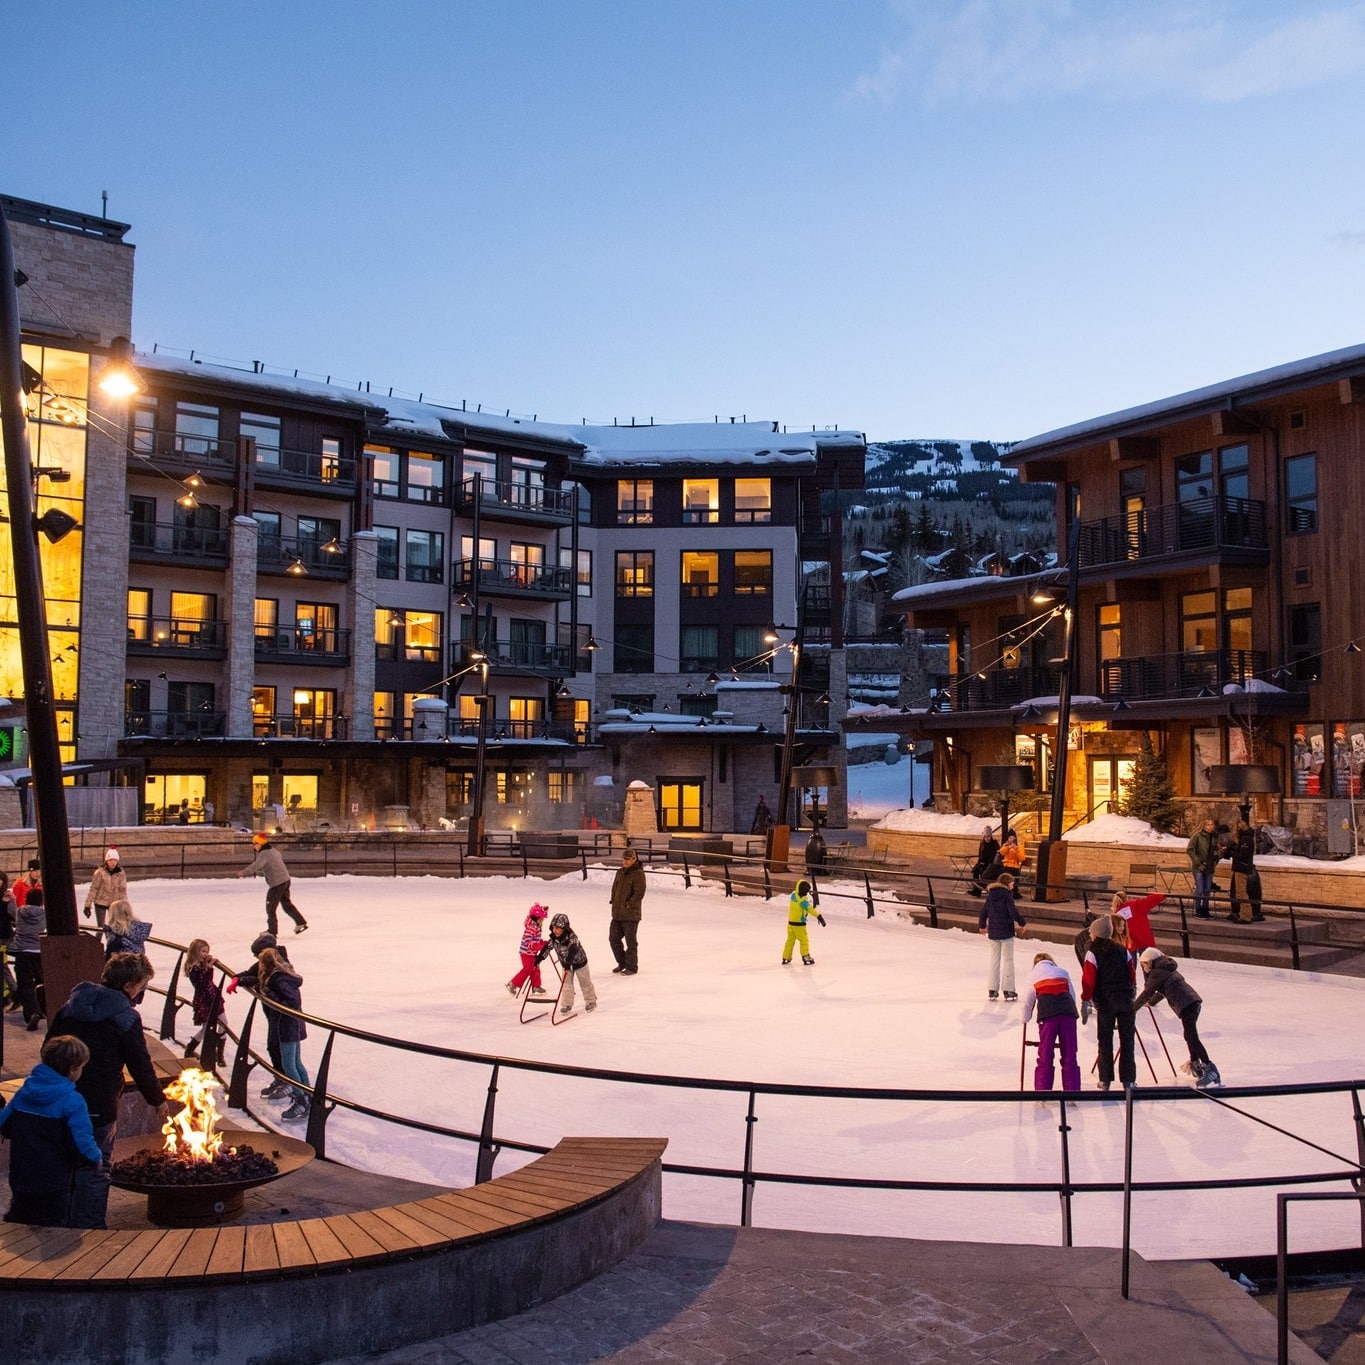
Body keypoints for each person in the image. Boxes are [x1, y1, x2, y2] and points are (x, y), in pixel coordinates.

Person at [47, 952, 169, 1229]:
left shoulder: (70, 1007)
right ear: (129, 985)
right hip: (98, 1104)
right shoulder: (125, 1018)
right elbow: (140, 1064)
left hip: (60, 1099)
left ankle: (58, 1223)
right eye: (142, 986)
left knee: (64, 1160)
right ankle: (88, 1229)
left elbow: (49, 1047)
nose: (141, 993)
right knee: (94, 1166)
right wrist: (157, 1100)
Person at [0, 1035, 103, 1227]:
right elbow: (81, 1141)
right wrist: (95, 1157)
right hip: (53, 1181)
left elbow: (4, 1123)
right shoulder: (72, 1101)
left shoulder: (25, 1092)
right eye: (81, 1067)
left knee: (20, 1218)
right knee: (53, 1225)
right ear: (73, 1070)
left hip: (21, 1174)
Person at [1134, 947, 1221, 1087]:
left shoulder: (1157, 972)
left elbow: (1147, 993)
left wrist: (1132, 1009)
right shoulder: (1165, 968)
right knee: (1189, 1035)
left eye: (1144, 964)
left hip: (1186, 1004)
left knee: (1192, 1036)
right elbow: (1162, 991)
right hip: (1192, 1002)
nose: (1143, 968)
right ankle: (1196, 1064)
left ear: (1150, 962)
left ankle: (1210, 1068)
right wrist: (1150, 1003)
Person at [227, 932, 293, 1098]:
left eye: (257, 955)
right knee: (273, 1046)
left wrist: (242, 981)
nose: (257, 958)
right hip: (272, 1012)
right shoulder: (265, 962)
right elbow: (251, 972)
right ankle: (280, 1077)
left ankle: (286, 1081)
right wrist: (237, 978)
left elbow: (261, 979)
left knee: (278, 1047)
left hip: (281, 1014)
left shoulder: (279, 965)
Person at [1080, 915, 1137, 1092]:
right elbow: (1132, 973)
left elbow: (1088, 979)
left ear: (1097, 934)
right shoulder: (1122, 949)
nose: (1089, 936)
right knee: (1127, 1040)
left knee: (1105, 1040)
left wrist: (1085, 999)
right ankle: (1128, 1080)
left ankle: (1105, 1079)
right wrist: (1131, 991)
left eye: (1091, 933)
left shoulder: (1092, 952)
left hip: (1105, 1001)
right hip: (1125, 999)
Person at [257, 947, 311, 1121]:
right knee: (296, 1062)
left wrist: (270, 995)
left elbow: (291, 1002)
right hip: (292, 1025)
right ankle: (308, 1095)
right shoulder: (282, 975)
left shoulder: (279, 979)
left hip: (287, 1026)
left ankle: (301, 1099)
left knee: (289, 1064)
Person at [1021, 953, 1081, 1092]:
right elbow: (1072, 995)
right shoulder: (1062, 972)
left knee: (1045, 1053)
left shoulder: (1033, 975)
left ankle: (1043, 1090)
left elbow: (1027, 1001)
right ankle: (1072, 1091)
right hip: (1068, 1013)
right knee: (1070, 1052)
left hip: (1048, 1015)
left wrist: (1025, 1018)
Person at [239, 833, 309, 936]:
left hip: (277, 884)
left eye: (254, 844)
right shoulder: (273, 850)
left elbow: (257, 865)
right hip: (285, 880)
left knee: (270, 908)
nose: (253, 846)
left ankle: (272, 931)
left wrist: (244, 872)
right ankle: (300, 922)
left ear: (259, 844)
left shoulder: (265, 853)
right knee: (286, 904)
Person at [978, 871, 1026, 1001]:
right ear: (1007, 882)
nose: (1013, 885)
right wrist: (1022, 923)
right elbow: (1013, 912)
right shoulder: (1007, 895)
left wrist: (982, 926)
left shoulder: (991, 894)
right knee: (1008, 961)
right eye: (1012, 883)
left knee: (995, 960)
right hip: (1005, 932)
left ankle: (992, 990)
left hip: (993, 932)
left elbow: (984, 911)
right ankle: (1009, 990)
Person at [536, 912, 596, 1014]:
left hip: (580, 963)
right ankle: (567, 1004)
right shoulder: (553, 939)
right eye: (553, 928)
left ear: (565, 928)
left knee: (585, 983)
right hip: (566, 965)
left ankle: (591, 1001)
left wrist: (568, 963)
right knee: (566, 984)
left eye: (558, 928)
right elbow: (546, 949)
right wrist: (538, 959)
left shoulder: (572, 937)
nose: (555, 930)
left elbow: (573, 951)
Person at [183, 938, 225, 1059]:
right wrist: (209, 967)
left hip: (214, 998)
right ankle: (191, 1047)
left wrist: (208, 963)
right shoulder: (193, 969)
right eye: (203, 951)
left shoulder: (201, 965)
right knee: (206, 1028)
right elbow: (203, 983)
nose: (205, 954)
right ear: (195, 952)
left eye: (207, 951)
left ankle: (219, 1052)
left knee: (224, 1023)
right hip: (205, 1001)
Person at [607, 846, 646, 976]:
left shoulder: (638, 874)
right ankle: (622, 962)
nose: (625, 862)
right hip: (617, 913)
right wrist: (613, 900)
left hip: (630, 915)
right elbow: (615, 888)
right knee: (613, 939)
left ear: (634, 859)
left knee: (631, 942)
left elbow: (639, 892)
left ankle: (631, 966)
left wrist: (629, 904)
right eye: (624, 859)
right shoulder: (620, 872)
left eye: (628, 859)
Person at [13, 885, 46, 1031]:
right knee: (42, 981)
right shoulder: (44, 914)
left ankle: (32, 1012)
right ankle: (44, 1009)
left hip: (23, 951)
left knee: (25, 984)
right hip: (39, 951)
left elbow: (10, 912)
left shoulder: (20, 912)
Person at [507, 904, 550, 996]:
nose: (542, 922)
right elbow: (529, 942)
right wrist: (539, 946)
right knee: (527, 969)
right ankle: (513, 984)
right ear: (536, 919)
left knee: (535, 968)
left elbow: (536, 940)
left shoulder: (536, 928)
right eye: (541, 920)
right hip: (526, 953)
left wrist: (543, 943)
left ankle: (536, 986)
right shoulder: (531, 928)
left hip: (531, 953)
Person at [782, 878, 825, 966]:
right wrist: (819, 916)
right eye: (807, 891)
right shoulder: (803, 901)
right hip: (799, 924)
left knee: (790, 940)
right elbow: (810, 909)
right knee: (804, 940)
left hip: (791, 923)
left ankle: (786, 957)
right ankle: (805, 956)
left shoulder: (794, 896)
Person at [84, 847, 128, 929]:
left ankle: (112, 942)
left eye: (115, 860)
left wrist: (125, 906)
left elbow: (122, 891)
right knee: (100, 928)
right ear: (106, 861)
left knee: (116, 927)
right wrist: (87, 905)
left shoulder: (121, 873)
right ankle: (97, 942)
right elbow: (93, 889)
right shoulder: (100, 873)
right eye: (110, 860)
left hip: (114, 903)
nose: (113, 862)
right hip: (100, 903)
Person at [1186, 816, 1221, 919]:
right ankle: (1198, 909)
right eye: (1208, 825)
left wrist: (1218, 855)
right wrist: (1197, 862)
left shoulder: (1214, 838)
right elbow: (1190, 849)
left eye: (1211, 825)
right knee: (1200, 889)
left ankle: (1205, 909)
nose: (1210, 827)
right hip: (1199, 867)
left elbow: (1216, 852)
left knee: (1207, 890)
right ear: (1204, 826)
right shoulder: (1197, 836)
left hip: (1210, 867)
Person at [1228, 823, 1264, 923]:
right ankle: (1245, 914)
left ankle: (1246, 916)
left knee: (1241, 893)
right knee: (1241, 892)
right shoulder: (1247, 838)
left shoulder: (1246, 839)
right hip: (1241, 867)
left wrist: (1231, 853)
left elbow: (1242, 855)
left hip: (1241, 868)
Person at [968, 826, 1000, 897]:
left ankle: (979, 888)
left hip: (991, 864)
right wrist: (980, 863)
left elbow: (995, 856)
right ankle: (976, 890)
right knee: (976, 871)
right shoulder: (982, 844)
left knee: (985, 871)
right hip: (983, 863)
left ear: (991, 836)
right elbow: (981, 855)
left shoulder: (994, 844)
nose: (987, 838)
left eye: (988, 836)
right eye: (985, 837)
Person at [0, 870, 16, 1009]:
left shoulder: (7, 896)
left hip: (3, 936)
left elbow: (13, 915)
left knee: (3, 965)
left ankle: (14, 992)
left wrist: (6, 903)